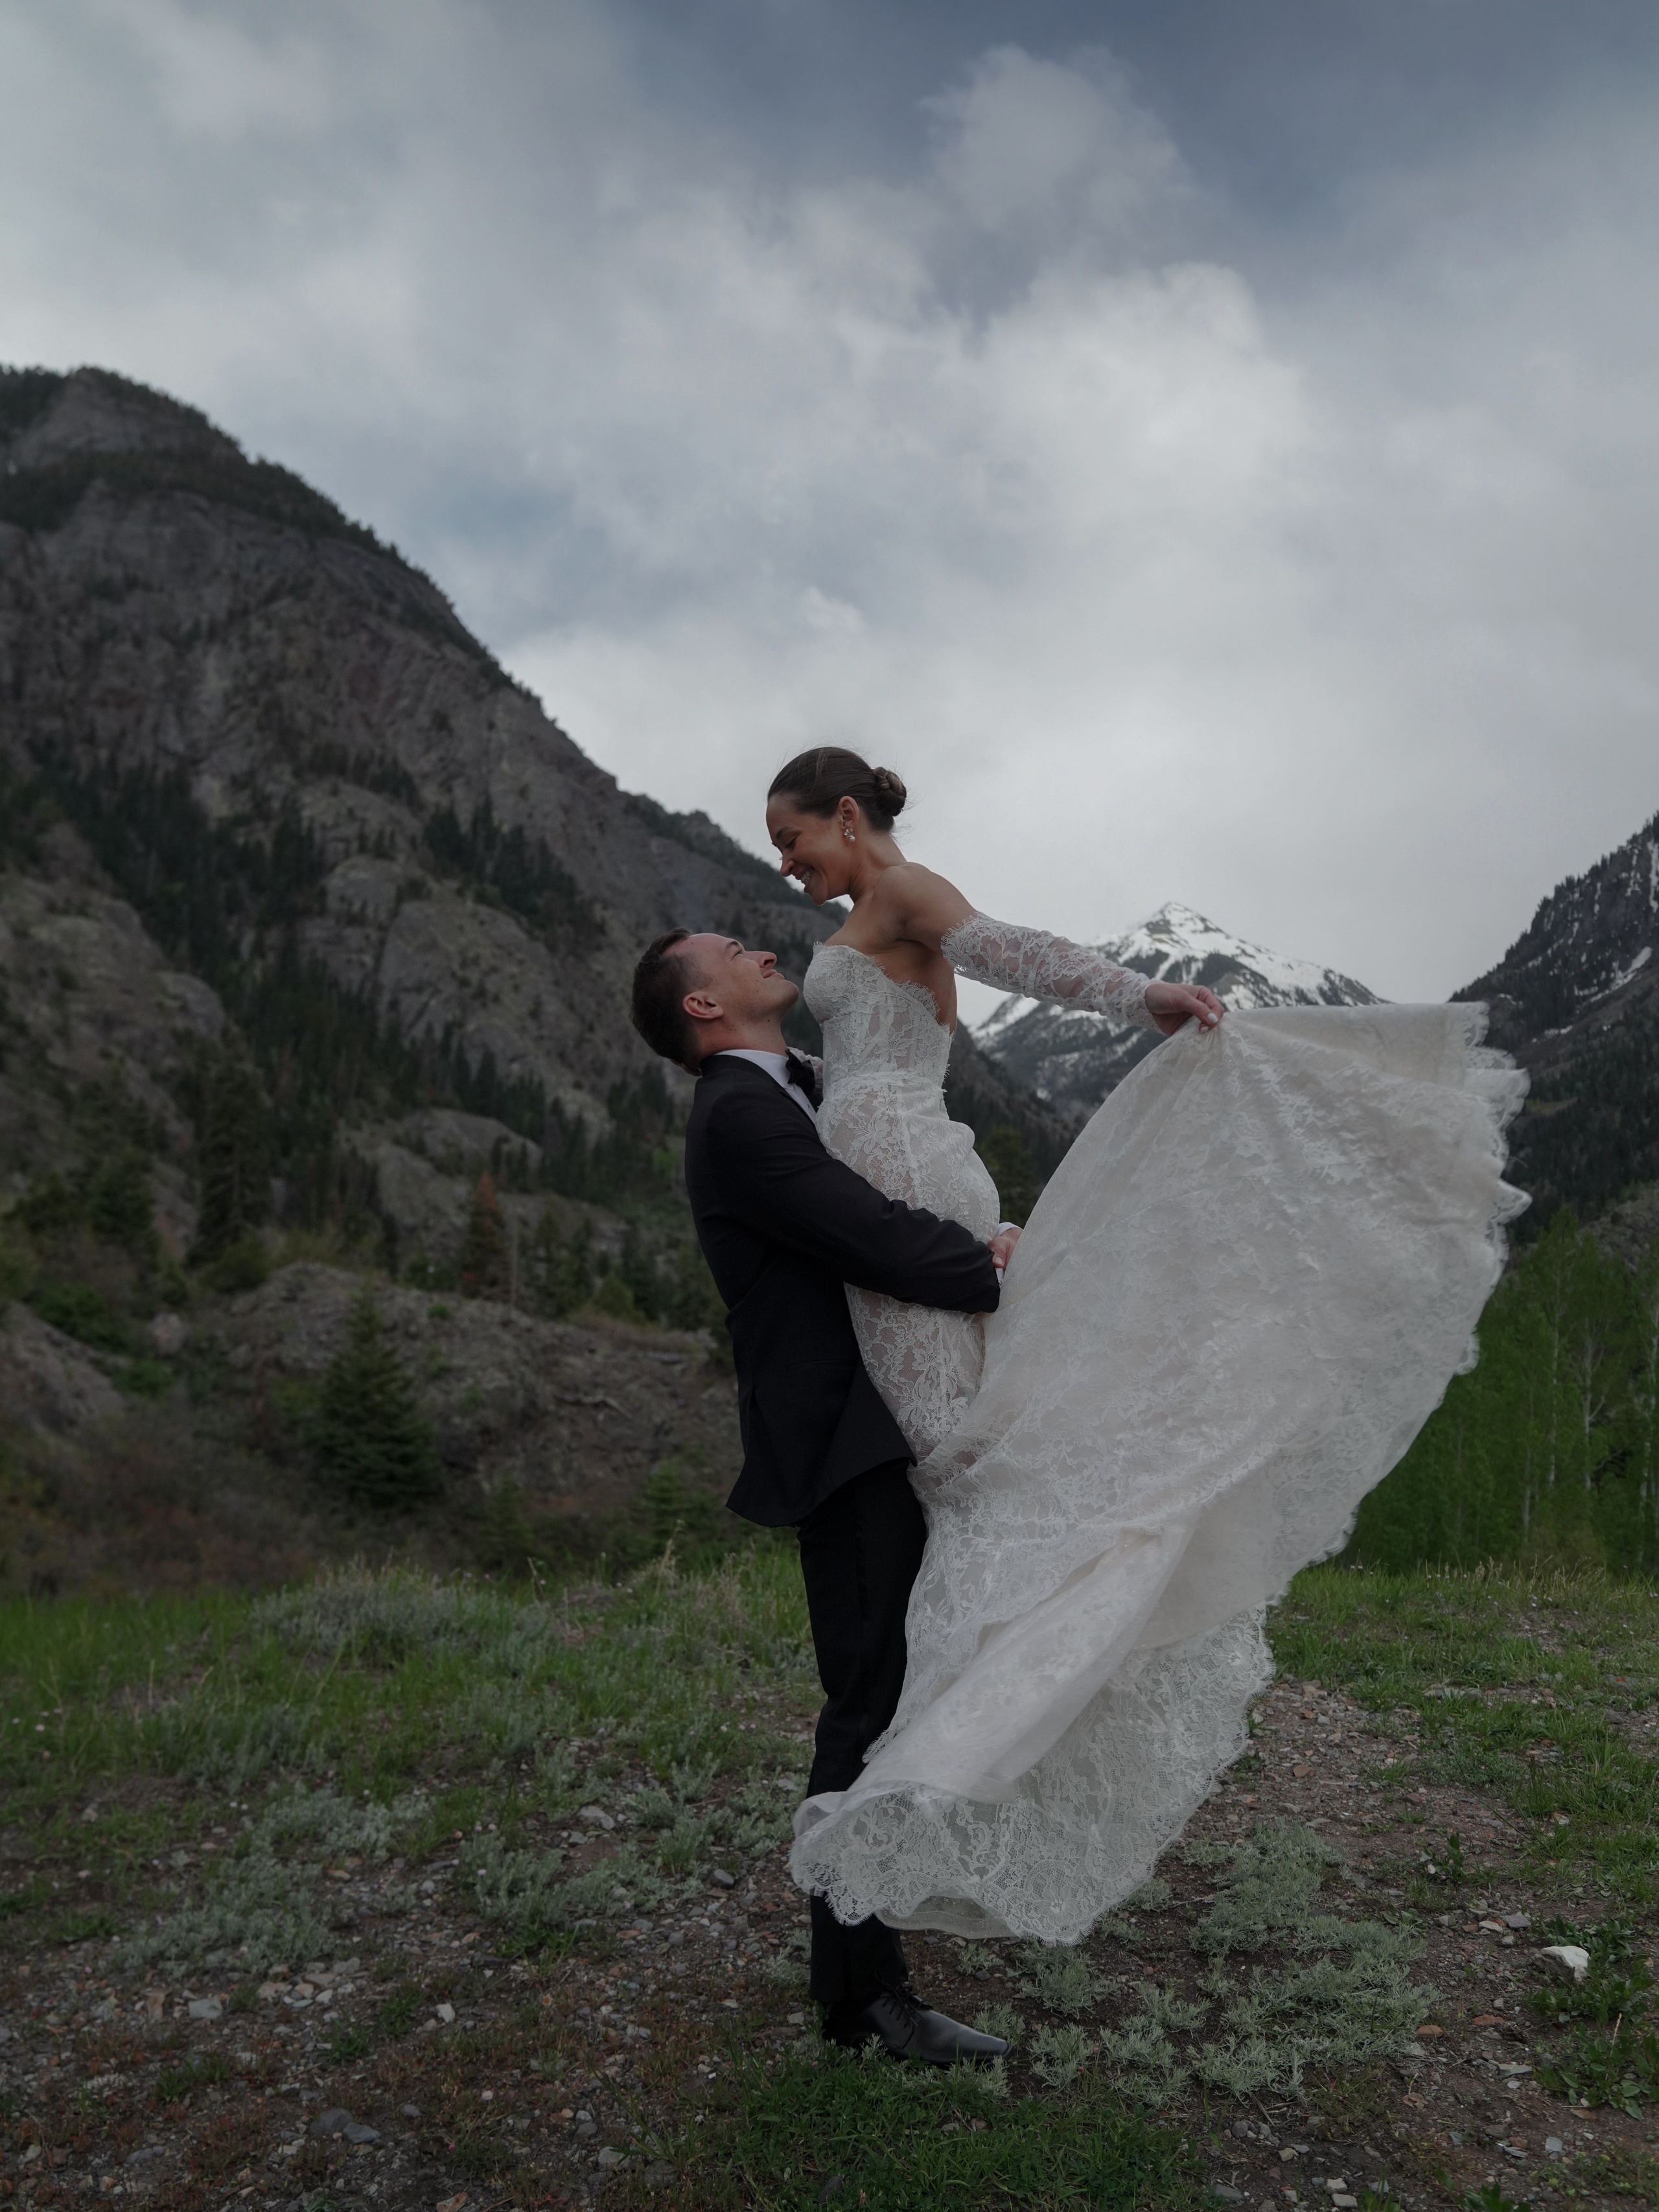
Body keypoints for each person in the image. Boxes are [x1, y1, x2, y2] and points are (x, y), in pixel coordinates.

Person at [763, 747, 1527, 1947]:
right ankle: (952, 1743)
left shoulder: (906, 897)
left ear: (847, 816)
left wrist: (1135, 998)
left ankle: (961, 1750)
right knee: (961, 1461)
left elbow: (1003, 944)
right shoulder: (870, 915)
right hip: (909, 1181)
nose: (790, 868)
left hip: (909, 1183)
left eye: (794, 840)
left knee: (962, 1467)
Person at [629, 928, 1014, 2065]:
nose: (757, 945)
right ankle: (861, 1995)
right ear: (703, 1005)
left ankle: (875, 1945)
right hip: (839, 1440)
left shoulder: (803, 1082)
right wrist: (996, 1267)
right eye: (729, 951)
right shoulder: (738, 1116)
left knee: (903, 1682)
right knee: (867, 1699)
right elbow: (863, 1234)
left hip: (887, 1410)